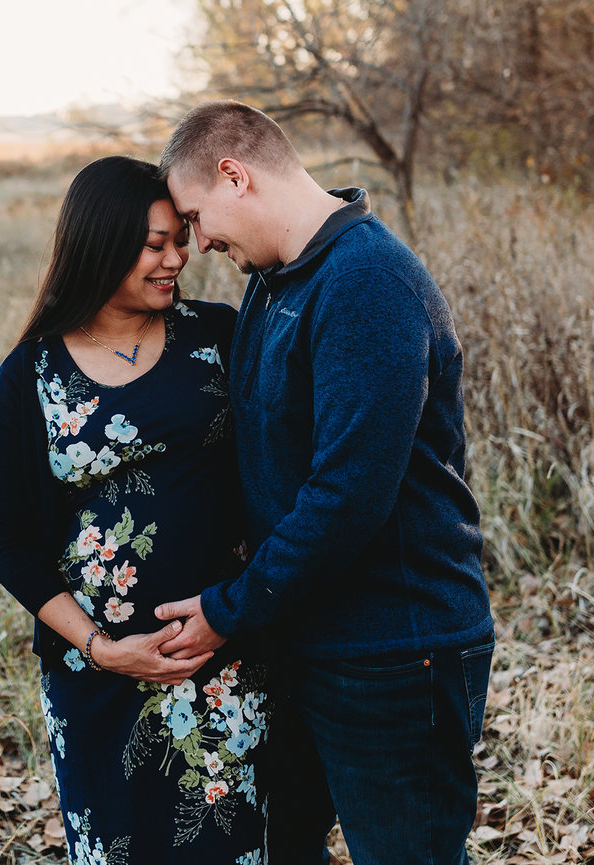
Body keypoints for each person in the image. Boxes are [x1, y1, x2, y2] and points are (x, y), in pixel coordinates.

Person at [153, 101, 494, 865]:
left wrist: (227, 609)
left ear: (234, 176)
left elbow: (347, 495)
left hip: (396, 651)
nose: (198, 242)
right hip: (309, 637)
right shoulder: (277, 280)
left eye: (196, 217)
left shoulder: (366, 284)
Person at [0, 155, 268, 865]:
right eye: (155, 244)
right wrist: (102, 648)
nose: (178, 257)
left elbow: (278, 480)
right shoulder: (32, 375)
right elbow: (10, 542)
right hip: (97, 679)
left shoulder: (219, 336)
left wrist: (239, 608)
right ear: (100, 244)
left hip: (222, 660)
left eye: (179, 238)